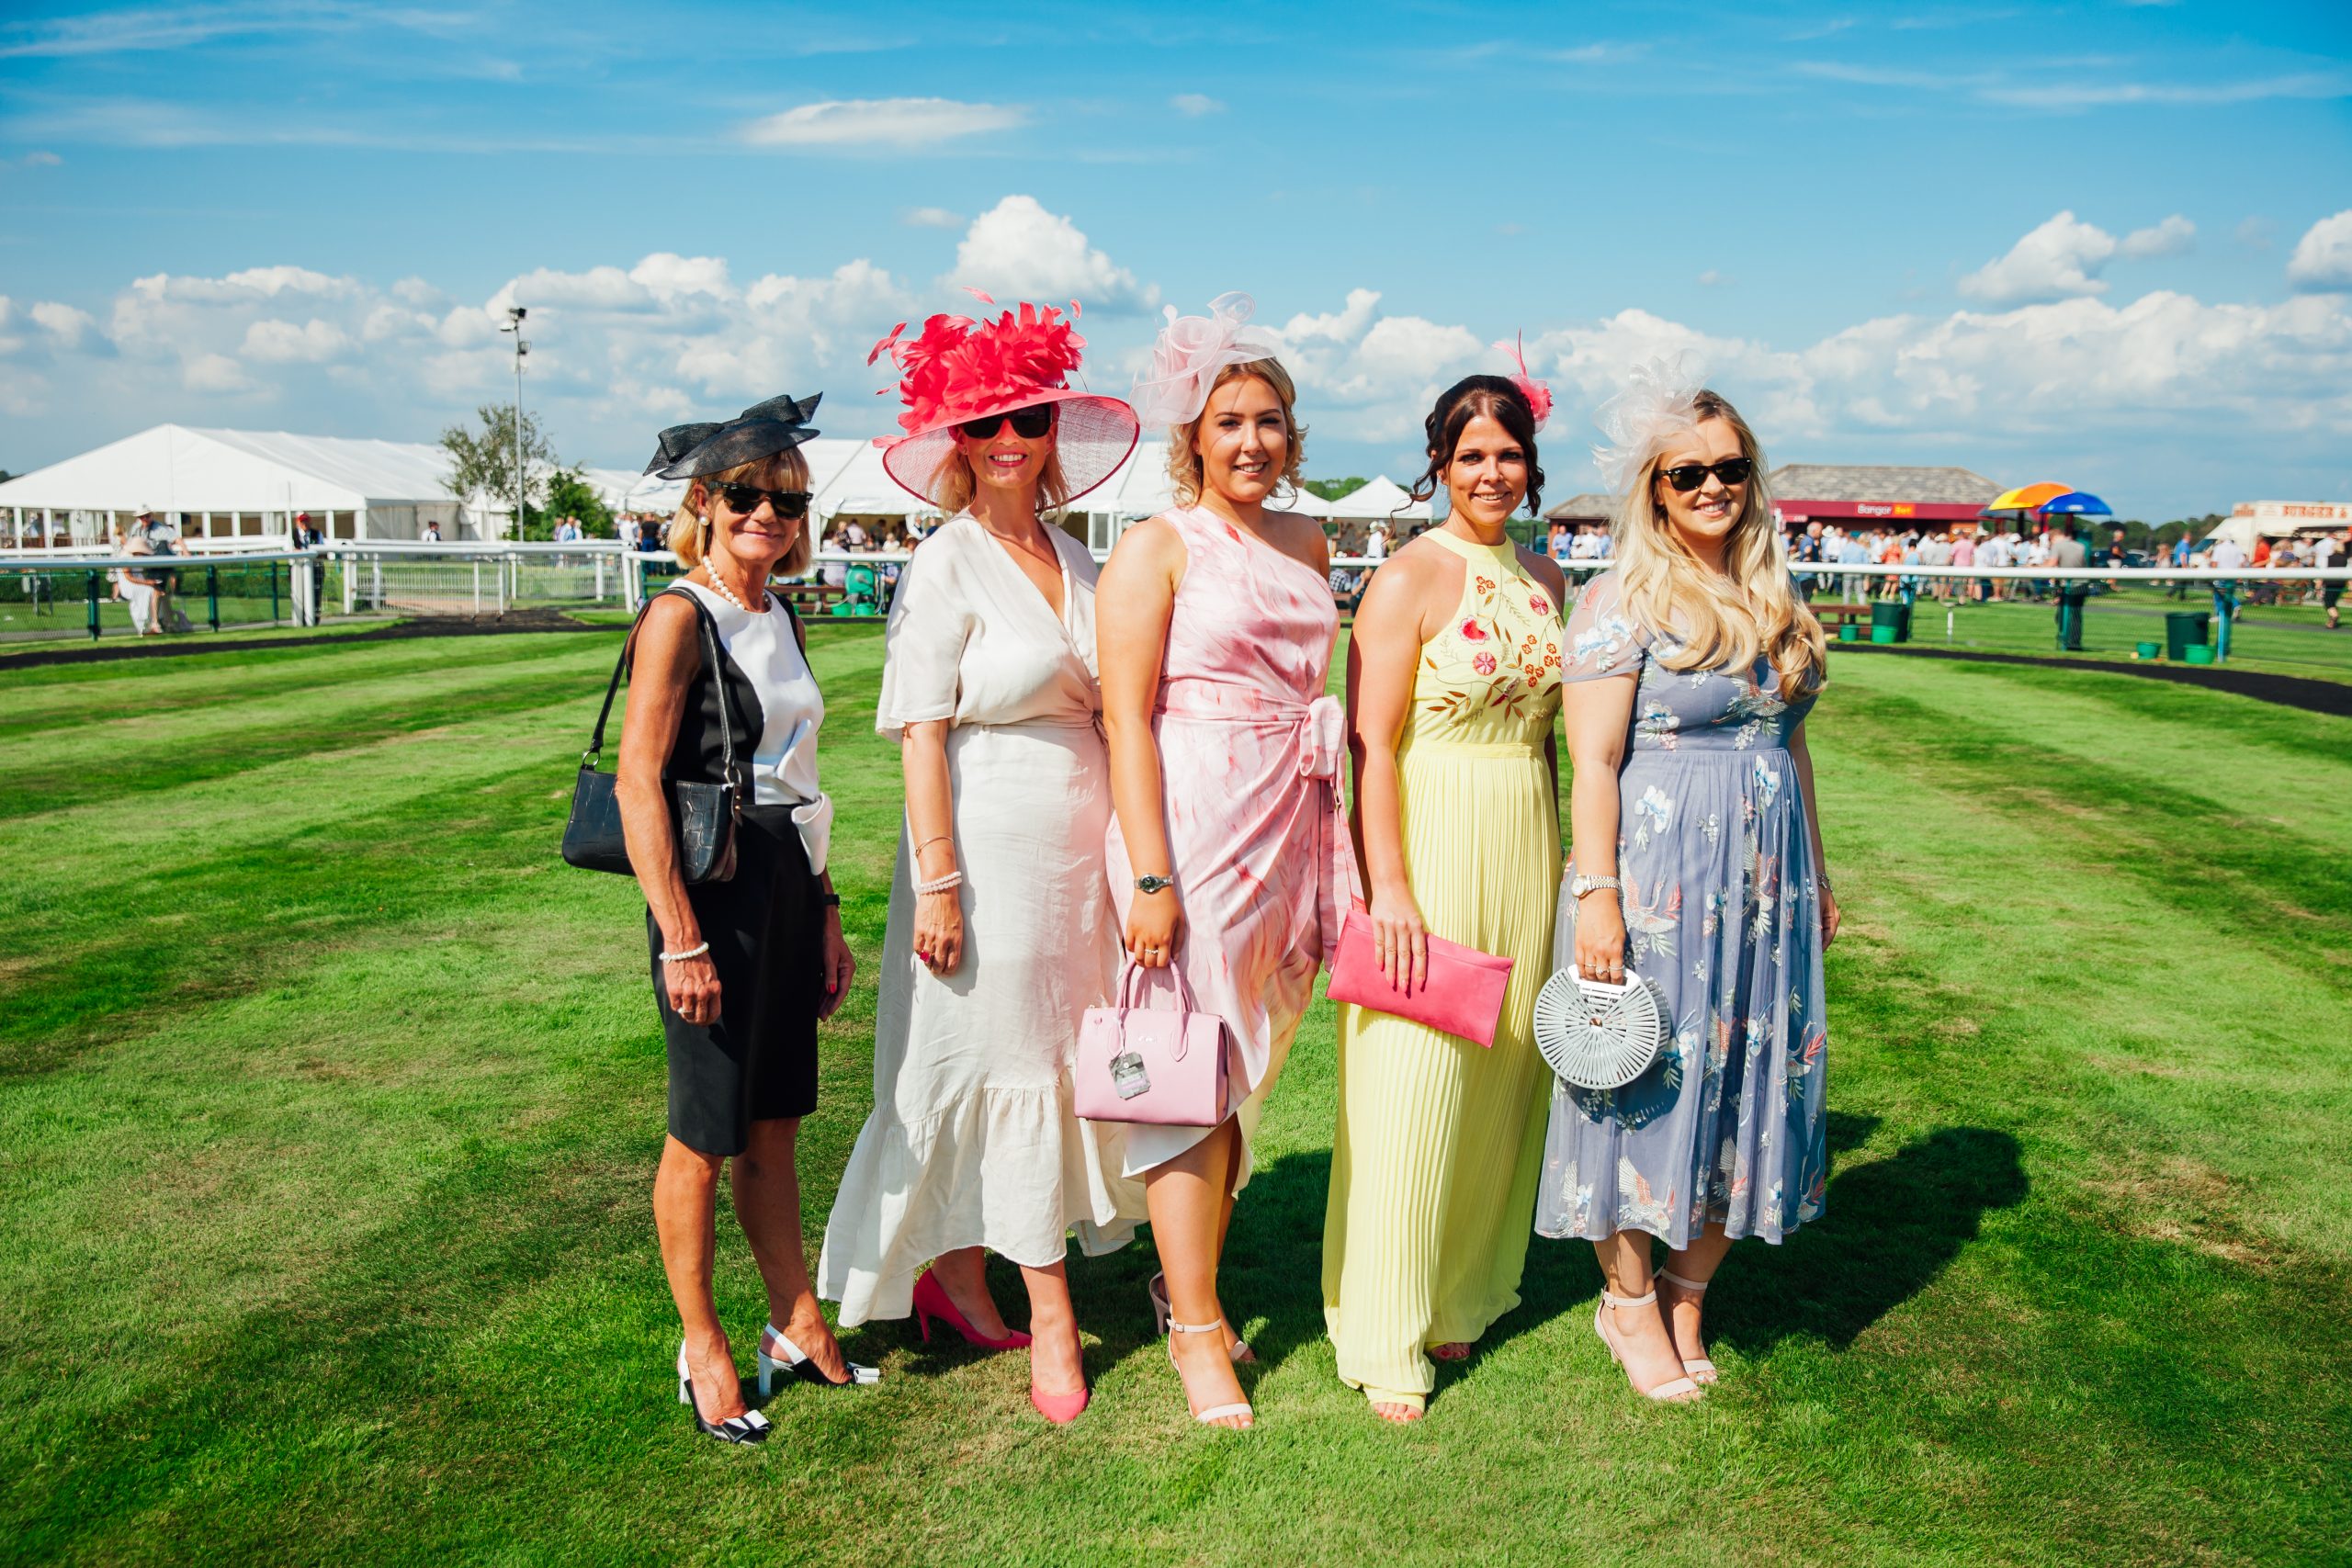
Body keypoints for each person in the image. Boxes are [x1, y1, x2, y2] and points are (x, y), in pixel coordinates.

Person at [819, 299, 1142, 1427]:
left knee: (1060, 1049)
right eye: (988, 422)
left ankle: (957, 1276)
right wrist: (940, 881)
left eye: (1031, 417)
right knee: (994, 1055)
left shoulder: (1077, 555)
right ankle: (1049, 1314)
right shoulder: (944, 563)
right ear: (956, 441)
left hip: (1076, 839)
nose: (1012, 440)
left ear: (1057, 429)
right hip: (985, 837)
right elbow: (918, 733)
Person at [1534, 365, 1836, 1405]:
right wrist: (1597, 895)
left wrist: (1819, 877)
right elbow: (1597, 763)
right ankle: (1625, 1303)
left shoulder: (1772, 595)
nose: (1713, 486)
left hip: (1769, 882)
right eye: (1688, 472)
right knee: (1648, 1081)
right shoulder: (1621, 599)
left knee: (1752, 1078)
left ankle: (1688, 1288)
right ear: (1655, 490)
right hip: (1663, 879)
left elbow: (1789, 750)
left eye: (1730, 469)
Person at [1099, 293, 1351, 1430]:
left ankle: (1178, 1281)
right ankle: (1197, 1328)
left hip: (1289, 820)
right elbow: (1124, 720)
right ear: (1192, 438)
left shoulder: (1310, 540)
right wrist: (1151, 877)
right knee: (1190, 1070)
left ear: (1292, 437)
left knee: (1237, 1070)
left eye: (1269, 421)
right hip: (1193, 826)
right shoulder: (1159, 547)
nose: (1251, 441)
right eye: (1229, 421)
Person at [617, 392, 872, 1447]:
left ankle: (794, 1317)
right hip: (709, 892)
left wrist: (826, 911)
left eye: (788, 499)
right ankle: (702, 1343)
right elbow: (640, 783)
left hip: (782, 882)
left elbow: (799, 778)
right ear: (705, 503)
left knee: (774, 1123)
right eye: (747, 495)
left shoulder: (778, 610)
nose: (769, 513)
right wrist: (679, 934)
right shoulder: (681, 613)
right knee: (704, 1133)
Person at [1322, 367, 1567, 1423]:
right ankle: (1382, 1330)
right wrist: (1392, 890)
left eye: (1508, 454)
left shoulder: (1550, 578)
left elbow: (1561, 741)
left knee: (1504, 1078)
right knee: (1411, 1088)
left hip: (1525, 839)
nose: (1492, 472)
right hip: (1428, 836)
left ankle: (1464, 1290)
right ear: (1439, 463)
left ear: (1530, 465)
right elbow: (1369, 743)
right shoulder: (1408, 576)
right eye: (1471, 454)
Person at [2049, 522, 2089, 650]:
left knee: (2062, 615)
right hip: (2082, 584)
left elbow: (2052, 563)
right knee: (2076, 615)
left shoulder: (2057, 546)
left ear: (2054, 537)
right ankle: (2074, 642)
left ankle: (2067, 640)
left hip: (2070, 585)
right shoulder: (2080, 546)